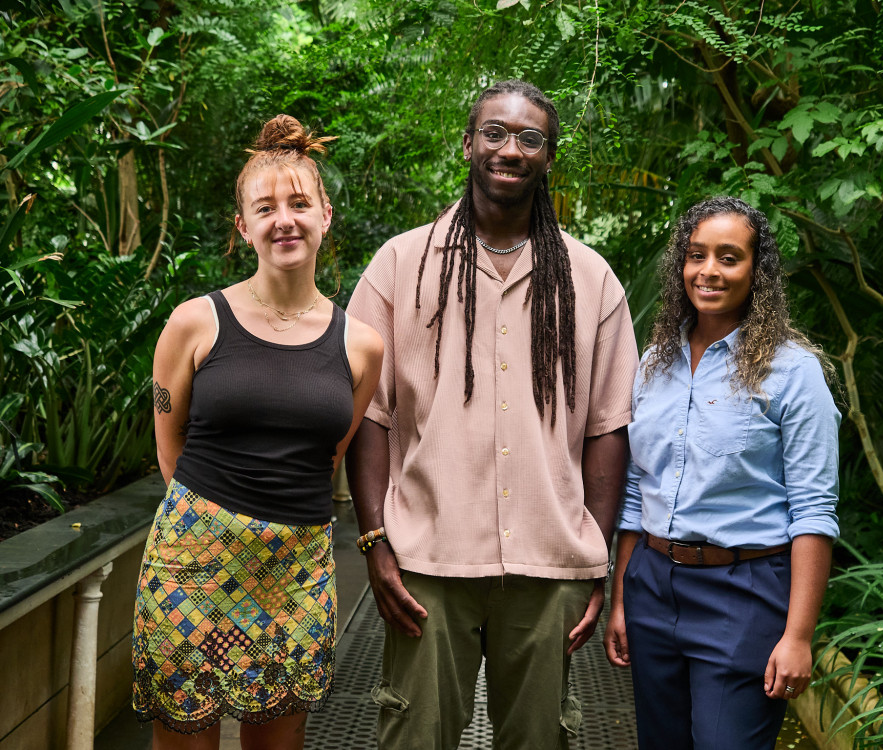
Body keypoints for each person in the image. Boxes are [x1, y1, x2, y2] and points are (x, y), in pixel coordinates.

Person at [345, 79, 639, 749]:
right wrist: (373, 541)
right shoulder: (400, 264)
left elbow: (607, 428)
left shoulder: (590, 280)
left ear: (548, 156)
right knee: (414, 737)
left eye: (530, 137)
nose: (511, 149)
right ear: (469, 142)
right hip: (427, 560)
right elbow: (371, 416)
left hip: (547, 568)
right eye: (496, 133)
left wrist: (593, 557)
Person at [132, 115, 383, 750]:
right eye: (265, 207)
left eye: (299, 203)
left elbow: (330, 453)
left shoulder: (361, 345)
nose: (285, 220)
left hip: (296, 571)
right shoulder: (195, 323)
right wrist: (217, 529)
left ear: (325, 214)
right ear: (244, 227)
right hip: (192, 566)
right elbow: (170, 451)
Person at [603, 196, 841, 750]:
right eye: (696, 255)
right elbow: (637, 491)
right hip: (652, 587)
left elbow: (813, 511)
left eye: (729, 258)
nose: (708, 271)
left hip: (746, 591)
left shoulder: (793, 373)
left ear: (757, 272)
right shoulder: (654, 361)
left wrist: (799, 636)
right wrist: (621, 600)